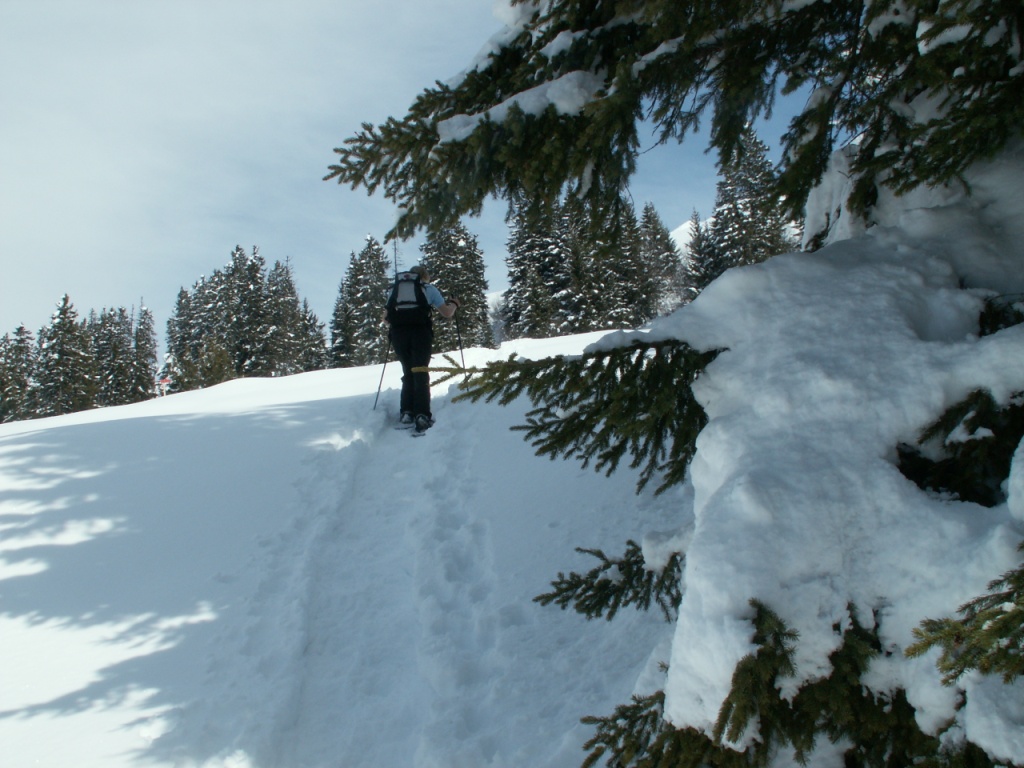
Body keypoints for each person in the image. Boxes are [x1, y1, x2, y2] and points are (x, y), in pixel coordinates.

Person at [384, 265, 459, 434]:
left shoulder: (395, 289)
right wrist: (454, 304)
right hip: (420, 334)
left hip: (399, 335)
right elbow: (447, 313)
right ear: (424, 276)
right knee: (421, 372)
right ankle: (422, 415)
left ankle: (406, 413)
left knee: (408, 371)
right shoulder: (428, 289)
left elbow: (386, 318)